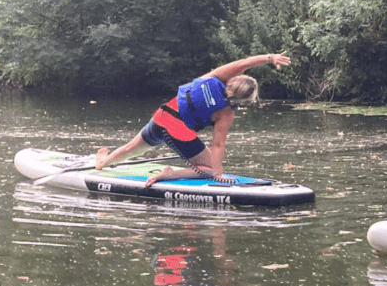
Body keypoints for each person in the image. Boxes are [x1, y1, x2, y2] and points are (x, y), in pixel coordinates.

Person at [94, 52, 291, 187]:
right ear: (244, 100)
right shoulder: (225, 114)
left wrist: (269, 57)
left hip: (161, 116)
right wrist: (217, 172)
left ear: (233, 80)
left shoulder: (215, 76)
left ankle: (102, 163)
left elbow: (245, 63)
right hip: (178, 133)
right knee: (207, 168)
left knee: (130, 148)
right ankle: (171, 174)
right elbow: (218, 145)